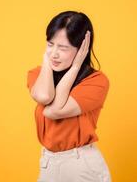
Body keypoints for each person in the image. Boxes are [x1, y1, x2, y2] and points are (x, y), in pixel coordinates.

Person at [27, 11, 112, 182]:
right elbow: (44, 96)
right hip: (48, 162)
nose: (54, 54)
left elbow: (53, 111)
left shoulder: (96, 81)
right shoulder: (39, 74)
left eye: (63, 48)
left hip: (80, 165)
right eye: (50, 44)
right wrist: (47, 59)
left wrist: (75, 68)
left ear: (82, 48)